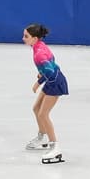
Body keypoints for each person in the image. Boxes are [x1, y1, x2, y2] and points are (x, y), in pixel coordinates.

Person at [22, 24, 67, 164]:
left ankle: (55, 147)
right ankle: (42, 138)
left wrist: (40, 81)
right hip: (51, 80)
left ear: (35, 38)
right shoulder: (40, 46)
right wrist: (43, 74)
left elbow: (52, 73)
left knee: (43, 114)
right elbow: (52, 63)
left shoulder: (39, 54)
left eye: (26, 36)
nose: (23, 38)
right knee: (36, 109)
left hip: (55, 83)